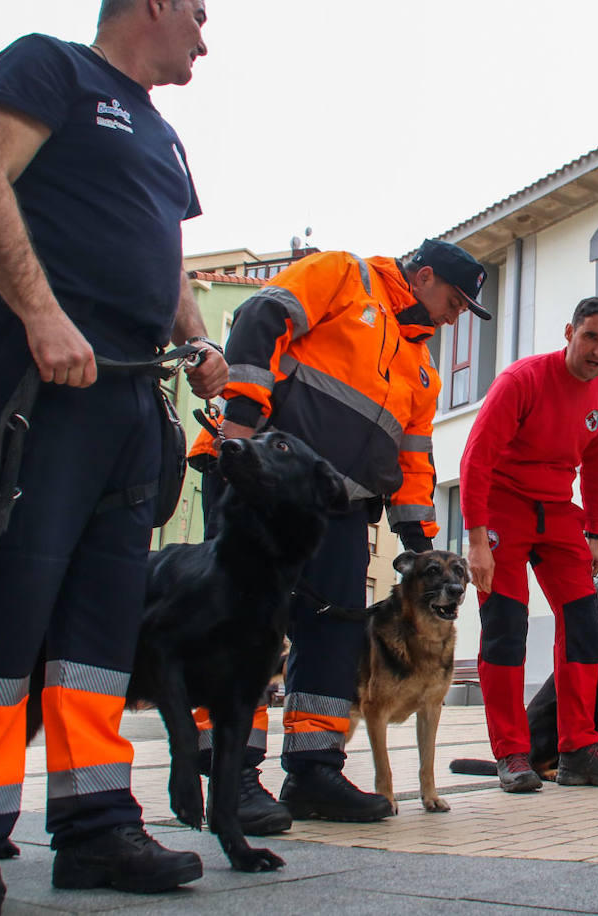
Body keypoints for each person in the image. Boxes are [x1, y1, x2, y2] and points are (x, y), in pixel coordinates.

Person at [0, 2, 227, 912]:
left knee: (101, 625)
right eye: (200, 15)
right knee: (4, 607)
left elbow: (166, 256)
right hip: (38, 386)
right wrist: (44, 317)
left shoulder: (164, 138)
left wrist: (198, 344)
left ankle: (94, 828)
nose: (206, 39)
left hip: (131, 397)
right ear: (156, 4)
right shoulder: (51, 68)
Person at [193, 238, 489, 827]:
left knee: (332, 636)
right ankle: (235, 777)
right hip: (264, 485)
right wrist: (241, 429)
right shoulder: (343, 276)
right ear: (424, 277)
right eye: (454, 301)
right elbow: (262, 317)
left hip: (344, 510)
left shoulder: (421, 369)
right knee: (247, 626)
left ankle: (315, 772)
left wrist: (420, 540)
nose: (457, 315)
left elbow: (413, 460)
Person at [460, 296, 598, 793]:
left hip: (559, 510)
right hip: (503, 507)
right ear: (569, 332)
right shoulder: (522, 380)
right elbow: (475, 459)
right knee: (506, 625)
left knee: (586, 620)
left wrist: (596, 532)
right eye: (590, 337)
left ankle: (579, 749)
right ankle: (513, 754)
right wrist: (477, 540)